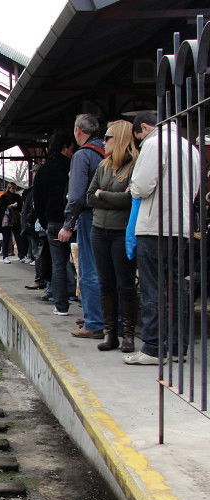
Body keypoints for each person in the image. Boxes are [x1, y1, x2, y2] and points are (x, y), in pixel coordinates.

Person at [124, 111, 200, 365]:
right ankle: (178, 347)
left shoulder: (154, 144)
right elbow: (196, 188)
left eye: (138, 137)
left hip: (154, 226)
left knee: (152, 288)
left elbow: (142, 186)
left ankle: (153, 348)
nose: (139, 142)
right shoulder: (189, 147)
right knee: (177, 287)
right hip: (182, 227)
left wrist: (132, 186)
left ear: (144, 127)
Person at [86, 120, 138, 352]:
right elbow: (89, 196)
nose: (104, 141)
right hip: (99, 230)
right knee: (105, 282)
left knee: (125, 284)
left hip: (121, 232)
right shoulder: (103, 166)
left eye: (108, 137)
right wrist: (111, 196)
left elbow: (130, 200)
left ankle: (128, 334)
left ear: (120, 139)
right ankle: (110, 333)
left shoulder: (135, 165)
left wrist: (102, 195)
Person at [58, 114, 105, 337]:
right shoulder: (111, 151)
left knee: (88, 269)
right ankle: (106, 317)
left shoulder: (83, 155)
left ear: (78, 131)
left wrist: (68, 224)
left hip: (89, 217)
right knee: (109, 269)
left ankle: (94, 321)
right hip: (113, 217)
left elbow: (76, 196)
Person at [35, 133, 74, 312]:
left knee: (59, 263)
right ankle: (86, 305)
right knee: (85, 264)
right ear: (65, 147)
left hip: (53, 222)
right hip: (75, 220)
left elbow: (38, 199)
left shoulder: (43, 170)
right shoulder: (71, 165)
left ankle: (61, 305)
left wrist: (44, 221)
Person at [0, 183, 22, 264]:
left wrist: (14, 207)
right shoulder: (4, 197)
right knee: (6, 238)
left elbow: (20, 207)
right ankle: (5, 256)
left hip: (15, 219)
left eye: (14, 188)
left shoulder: (18, 197)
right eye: (11, 188)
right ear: (8, 188)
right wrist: (8, 207)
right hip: (6, 220)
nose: (12, 189)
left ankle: (22, 255)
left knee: (18, 238)